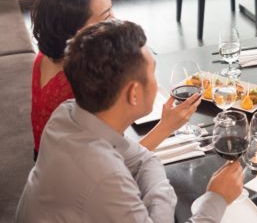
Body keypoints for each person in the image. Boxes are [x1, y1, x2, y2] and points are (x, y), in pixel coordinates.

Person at [16, 20, 244, 222]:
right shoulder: (106, 179)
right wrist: (215, 198)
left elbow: (144, 160)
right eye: (153, 72)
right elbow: (140, 163)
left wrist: (157, 201)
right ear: (133, 93)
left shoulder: (66, 114)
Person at [31, 0, 192, 160]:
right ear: (78, 31)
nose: (115, 20)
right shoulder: (79, 80)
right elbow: (117, 162)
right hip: (74, 169)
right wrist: (166, 127)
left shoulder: (46, 55)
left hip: (46, 156)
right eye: (107, 16)